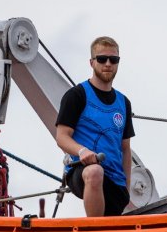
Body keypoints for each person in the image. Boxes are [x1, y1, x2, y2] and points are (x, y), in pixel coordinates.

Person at [55, 36, 135, 216]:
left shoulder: (124, 103)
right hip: (82, 171)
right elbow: (61, 137)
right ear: (92, 62)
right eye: (102, 59)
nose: (108, 64)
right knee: (95, 172)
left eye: (113, 60)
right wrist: (82, 151)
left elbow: (126, 149)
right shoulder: (76, 95)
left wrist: (127, 190)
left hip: (115, 181)